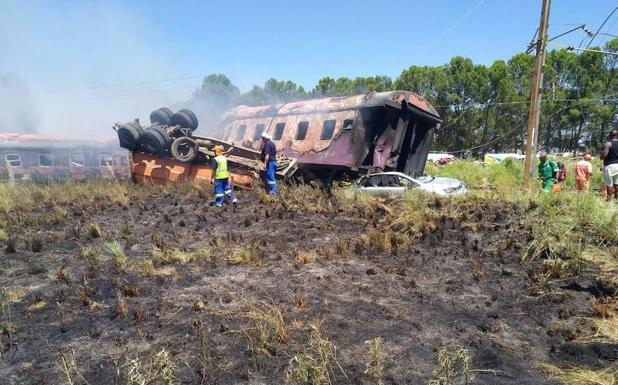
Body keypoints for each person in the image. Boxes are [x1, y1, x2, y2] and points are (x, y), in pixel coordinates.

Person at [600, 129, 618, 200]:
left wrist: (601, 153)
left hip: (610, 166)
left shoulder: (608, 144)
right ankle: (616, 199)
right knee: (616, 184)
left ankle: (610, 199)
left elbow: (603, 156)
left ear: (611, 135)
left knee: (609, 184)